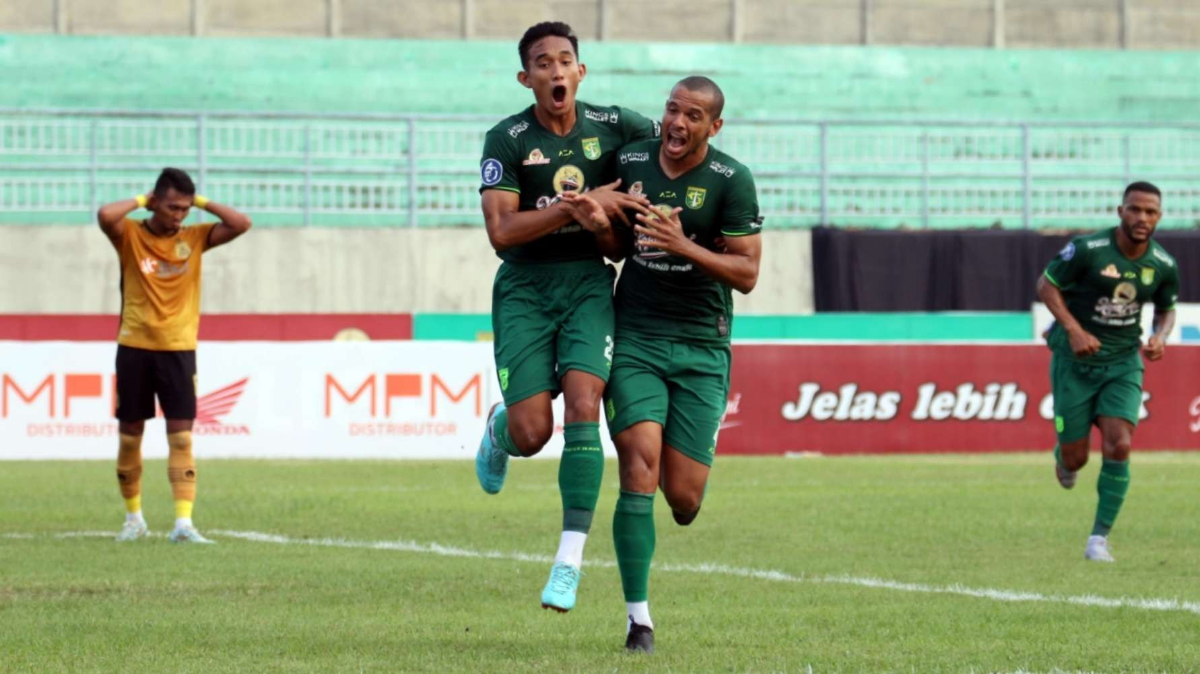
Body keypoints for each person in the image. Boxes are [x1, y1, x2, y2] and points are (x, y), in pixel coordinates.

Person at [562, 76, 763, 653]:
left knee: (684, 499)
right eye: (672, 110)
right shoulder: (632, 159)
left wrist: (685, 247)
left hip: (702, 347)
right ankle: (638, 621)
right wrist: (603, 226)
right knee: (638, 467)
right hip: (637, 339)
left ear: (714, 127)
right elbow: (618, 246)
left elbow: (747, 275)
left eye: (693, 115)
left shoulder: (732, 181)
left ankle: (645, 592)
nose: (678, 123)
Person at [474, 21, 658, 613]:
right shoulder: (505, 138)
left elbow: (673, 148)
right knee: (533, 435)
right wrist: (576, 208)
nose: (556, 72)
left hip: (586, 285)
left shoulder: (616, 126)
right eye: (543, 64)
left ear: (581, 70)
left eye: (565, 61)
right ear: (526, 78)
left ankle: (567, 562)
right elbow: (501, 233)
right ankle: (500, 427)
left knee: (584, 405)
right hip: (526, 288)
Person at [97, 167, 252, 544]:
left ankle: (183, 524)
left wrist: (200, 202)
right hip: (134, 346)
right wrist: (139, 201)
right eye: (172, 207)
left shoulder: (195, 237)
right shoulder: (131, 233)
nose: (179, 215)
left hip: (179, 349)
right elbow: (105, 215)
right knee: (131, 436)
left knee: (181, 438)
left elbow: (241, 222)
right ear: (155, 202)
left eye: (185, 209)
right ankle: (134, 519)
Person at [1036, 181, 1179, 562]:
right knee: (1076, 458)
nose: (1142, 218)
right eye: (1135, 209)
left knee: (1120, 444)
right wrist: (1073, 329)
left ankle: (1098, 539)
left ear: (1159, 217)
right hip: (1074, 363)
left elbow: (1166, 309)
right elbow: (1046, 285)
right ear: (1121, 212)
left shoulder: (1163, 265)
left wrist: (1160, 336)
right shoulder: (1088, 249)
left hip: (1122, 363)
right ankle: (1064, 459)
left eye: (1150, 212)